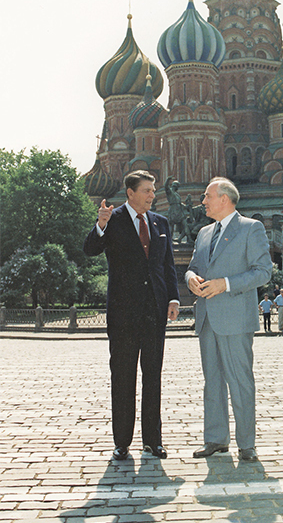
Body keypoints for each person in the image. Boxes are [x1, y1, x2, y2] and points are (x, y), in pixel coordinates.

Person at [83, 170, 180, 461]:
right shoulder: (112, 220)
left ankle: (153, 440)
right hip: (123, 315)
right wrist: (100, 224)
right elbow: (90, 250)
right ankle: (121, 443)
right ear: (130, 193)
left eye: (153, 190)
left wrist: (173, 298)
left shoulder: (161, 222)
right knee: (123, 377)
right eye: (147, 190)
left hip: (154, 313)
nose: (152, 195)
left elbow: (167, 265)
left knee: (153, 377)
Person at [185, 177, 272, 462]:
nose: (203, 201)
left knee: (240, 381)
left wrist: (226, 283)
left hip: (235, 317)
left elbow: (263, 272)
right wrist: (190, 279)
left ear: (224, 198)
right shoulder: (204, 233)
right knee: (212, 382)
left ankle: (247, 445)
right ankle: (216, 439)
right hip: (207, 318)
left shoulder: (251, 228)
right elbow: (194, 267)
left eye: (207, 196)